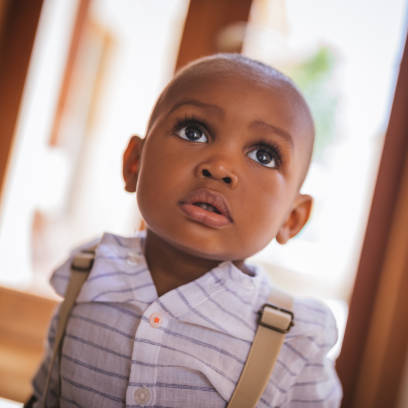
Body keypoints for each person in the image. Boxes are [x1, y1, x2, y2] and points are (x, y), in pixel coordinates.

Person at [28, 53, 342, 407]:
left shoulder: (293, 340)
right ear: (134, 163)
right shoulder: (90, 273)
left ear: (292, 218)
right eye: (194, 132)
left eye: (263, 156)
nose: (220, 167)